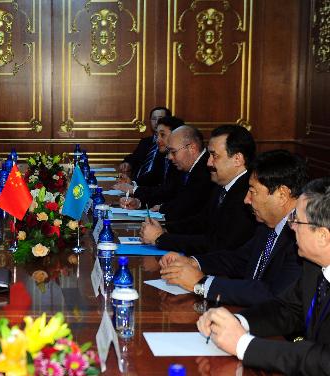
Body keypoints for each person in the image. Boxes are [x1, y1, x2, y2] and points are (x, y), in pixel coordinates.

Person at [197, 177, 330, 375]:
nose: (291, 226)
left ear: (322, 236)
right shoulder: (314, 267)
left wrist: (243, 345)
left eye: (297, 220)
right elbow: (287, 309)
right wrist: (237, 322)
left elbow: (324, 360)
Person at [159, 150, 307, 306]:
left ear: (282, 195)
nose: (246, 200)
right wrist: (192, 262)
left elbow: (274, 293)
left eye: (252, 191)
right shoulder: (269, 226)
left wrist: (201, 283)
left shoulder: (302, 235)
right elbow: (240, 259)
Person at [140, 125, 257, 254]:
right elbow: (202, 221)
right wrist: (164, 228)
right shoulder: (223, 185)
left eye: (214, 156)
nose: (209, 162)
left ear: (237, 159)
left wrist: (161, 238)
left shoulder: (249, 194)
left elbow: (219, 245)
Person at [116, 116, 184, 207]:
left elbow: (168, 192)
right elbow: (153, 178)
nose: (157, 140)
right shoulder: (163, 154)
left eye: (162, 135)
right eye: (157, 135)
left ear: (177, 136)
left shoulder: (180, 160)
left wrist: (135, 190)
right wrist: (133, 184)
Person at [118, 106, 171, 180]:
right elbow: (133, 157)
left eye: (160, 118)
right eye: (154, 119)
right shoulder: (145, 142)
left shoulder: (170, 144)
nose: (157, 122)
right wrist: (127, 163)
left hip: (152, 186)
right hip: (134, 182)